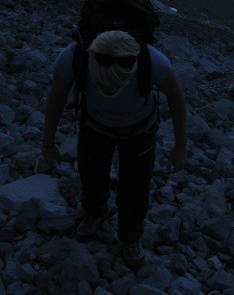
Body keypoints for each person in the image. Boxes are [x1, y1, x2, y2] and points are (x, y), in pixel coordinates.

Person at [42, 29, 187, 269]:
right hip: (95, 125)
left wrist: (181, 145)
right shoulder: (72, 57)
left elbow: (176, 95)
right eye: (103, 85)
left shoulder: (152, 60)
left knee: (136, 187)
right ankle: (95, 212)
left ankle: (130, 235)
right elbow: (55, 99)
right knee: (90, 174)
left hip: (140, 130)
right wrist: (47, 142)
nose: (109, 92)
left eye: (117, 86)